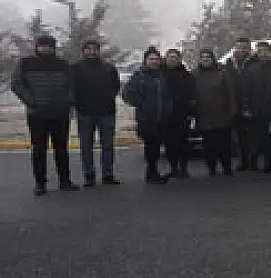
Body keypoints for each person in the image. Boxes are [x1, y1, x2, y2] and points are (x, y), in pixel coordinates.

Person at [11, 35, 79, 195]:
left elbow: (71, 85)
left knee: (61, 149)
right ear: (37, 47)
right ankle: (40, 183)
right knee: (39, 150)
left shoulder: (63, 64)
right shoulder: (26, 63)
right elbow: (16, 84)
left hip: (60, 114)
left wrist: (68, 101)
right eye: (42, 46)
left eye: (49, 46)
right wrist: (30, 101)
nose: (45, 49)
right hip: (37, 114)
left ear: (54, 48)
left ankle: (65, 181)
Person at [122, 47, 174, 184]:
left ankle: (153, 172)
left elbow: (170, 94)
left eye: (156, 59)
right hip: (146, 118)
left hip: (163, 117)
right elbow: (127, 93)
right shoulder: (139, 76)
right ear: (145, 61)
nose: (154, 61)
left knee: (157, 146)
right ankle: (151, 173)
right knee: (150, 146)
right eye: (151, 59)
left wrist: (169, 107)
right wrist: (142, 103)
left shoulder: (164, 75)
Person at [72, 39, 121, 186]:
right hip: (84, 113)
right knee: (86, 146)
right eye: (89, 49)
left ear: (99, 51)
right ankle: (89, 175)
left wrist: (109, 96)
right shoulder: (75, 68)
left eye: (95, 49)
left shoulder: (109, 68)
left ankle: (107, 174)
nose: (92, 52)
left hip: (107, 112)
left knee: (108, 145)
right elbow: (71, 89)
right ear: (84, 51)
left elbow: (116, 86)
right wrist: (77, 103)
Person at [193, 48, 238, 176]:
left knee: (224, 144)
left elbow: (231, 92)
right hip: (204, 115)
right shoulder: (195, 74)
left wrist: (232, 110)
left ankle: (227, 167)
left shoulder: (222, 72)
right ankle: (211, 167)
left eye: (208, 57)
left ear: (213, 59)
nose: (205, 60)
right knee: (208, 145)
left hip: (222, 114)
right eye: (203, 57)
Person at [242, 41, 271, 173]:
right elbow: (246, 91)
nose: (263, 54)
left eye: (265, 51)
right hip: (257, 109)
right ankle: (255, 164)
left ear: (270, 52)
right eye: (260, 51)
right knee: (257, 138)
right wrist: (247, 108)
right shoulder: (251, 69)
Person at [163, 49, 196, 178]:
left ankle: (183, 168)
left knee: (183, 142)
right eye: (170, 57)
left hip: (182, 114)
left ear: (180, 59)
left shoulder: (187, 76)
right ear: (166, 59)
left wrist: (191, 112)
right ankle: (173, 168)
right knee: (169, 143)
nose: (172, 59)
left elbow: (193, 95)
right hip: (165, 115)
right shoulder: (161, 74)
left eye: (175, 57)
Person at [225, 37, 254, 171]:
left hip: (251, 105)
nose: (241, 50)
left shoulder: (254, 63)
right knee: (238, 137)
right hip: (234, 105)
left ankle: (252, 162)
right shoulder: (228, 64)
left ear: (249, 49)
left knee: (251, 136)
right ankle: (242, 161)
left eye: (244, 47)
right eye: (239, 47)